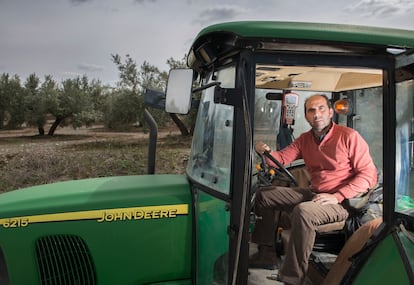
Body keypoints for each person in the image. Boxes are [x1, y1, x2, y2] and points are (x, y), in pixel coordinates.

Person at [250, 94, 378, 285]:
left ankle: (292, 277)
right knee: (264, 195)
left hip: (345, 201)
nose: (316, 114)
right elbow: (280, 159)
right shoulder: (305, 140)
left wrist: (337, 196)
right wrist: (264, 150)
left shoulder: (349, 137)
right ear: (306, 116)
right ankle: (267, 254)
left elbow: (369, 176)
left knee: (304, 211)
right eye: (311, 110)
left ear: (330, 112)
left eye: (321, 109)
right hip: (317, 193)